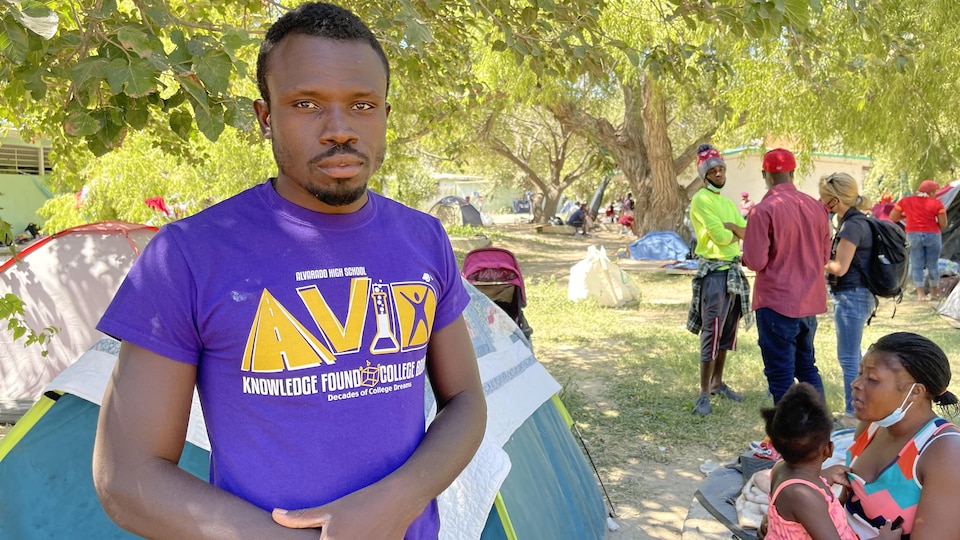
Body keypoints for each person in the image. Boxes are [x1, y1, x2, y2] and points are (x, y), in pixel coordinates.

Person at [91, 4, 487, 539]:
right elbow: (126, 477)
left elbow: (465, 401)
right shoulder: (188, 256)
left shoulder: (423, 239)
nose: (340, 130)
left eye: (362, 105)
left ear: (385, 115)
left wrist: (399, 500)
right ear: (265, 117)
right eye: (306, 104)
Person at [844, 332, 960, 538]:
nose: (856, 384)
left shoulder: (946, 452)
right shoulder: (873, 424)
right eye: (860, 372)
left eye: (871, 378)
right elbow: (845, 503)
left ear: (915, 392)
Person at [742, 148, 831, 405]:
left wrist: (746, 256)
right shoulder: (817, 207)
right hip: (808, 304)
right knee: (807, 368)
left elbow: (756, 261)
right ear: (793, 173)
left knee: (780, 375)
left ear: (764, 174)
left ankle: (789, 439)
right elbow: (824, 258)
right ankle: (819, 430)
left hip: (776, 302)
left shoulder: (763, 210)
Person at [685, 143, 750, 416]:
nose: (720, 173)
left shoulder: (726, 202)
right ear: (705, 174)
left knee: (727, 330)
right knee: (711, 330)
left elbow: (745, 232)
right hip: (713, 274)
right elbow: (723, 238)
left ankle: (717, 382)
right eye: (714, 170)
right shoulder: (701, 200)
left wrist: (732, 229)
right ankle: (703, 392)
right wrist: (733, 232)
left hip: (732, 272)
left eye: (722, 168)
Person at [760, 383, 864, 540]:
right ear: (828, 449)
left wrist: (825, 476)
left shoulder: (780, 469)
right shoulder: (805, 497)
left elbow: (799, 483)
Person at [819, 173, 874, 429]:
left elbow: (839, 267)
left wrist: (813, 259)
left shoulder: (852, 225)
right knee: (852, 356)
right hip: (857, 296)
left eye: (823, 197)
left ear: (834, 199)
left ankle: (853, 414)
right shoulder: (851, 221)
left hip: (852, 296)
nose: (821, 201)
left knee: (849, 357)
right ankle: (857, 410)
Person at [889, 180, 948, 301]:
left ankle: (920, 295)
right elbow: (943, 224)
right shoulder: (937, 204)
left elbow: (893, 217)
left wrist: (907, 216)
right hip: (933, 234)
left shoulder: (905, 201)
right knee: (933, 265)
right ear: (931, 192)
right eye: (935, 191)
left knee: (917, 265)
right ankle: (934, 293)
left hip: (912, 234)